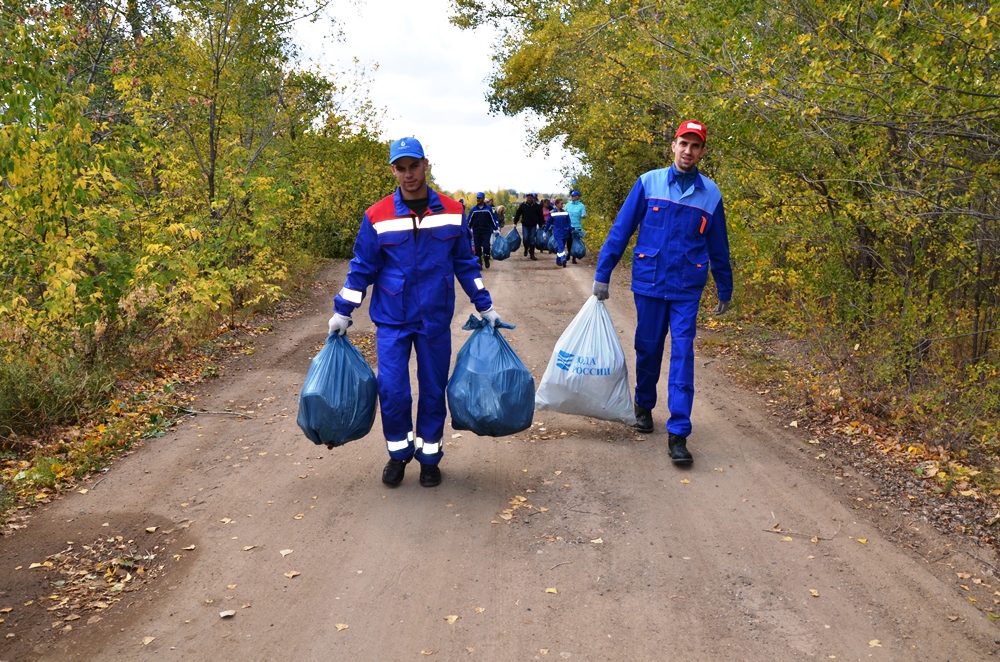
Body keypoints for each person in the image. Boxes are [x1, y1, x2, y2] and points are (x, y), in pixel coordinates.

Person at [328, 137, 502, 487]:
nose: (408, 175)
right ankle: (398, 454)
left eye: (413, 166)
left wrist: (485, 305)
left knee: (434, 390)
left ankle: (429, 458)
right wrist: (343, 311)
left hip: (435, 318)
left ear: (426, 164)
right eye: (400, 168)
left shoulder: (453, 212)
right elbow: (362, 268)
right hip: (392, 318)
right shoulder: (377, 216)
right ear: (393, 170)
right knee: (392, 390)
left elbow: (465, 264)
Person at [592, 119, 732, 467]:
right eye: (684, 143)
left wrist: (725, 289)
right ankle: (643, 404)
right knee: (648, 347)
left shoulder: (710, 194)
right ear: (673, 145)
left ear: (702, 151)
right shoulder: (648, 183)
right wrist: (602, 274)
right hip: (650, 282)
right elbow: (621, 229)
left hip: (687, 287)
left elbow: (719, 247)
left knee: (682, 354)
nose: (688, 151)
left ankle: (679, 432)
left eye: (695, 146)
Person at [468, 192, 500, 268]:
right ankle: (479, 263)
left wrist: (496, 228)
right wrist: (467, 229)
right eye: (477, 198)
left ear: (483, 198)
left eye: (480, 198)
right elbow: (469, 220)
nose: (478, 199)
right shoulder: (474, 210)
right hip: (476, 231)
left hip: (486, 231)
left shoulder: (488, 209)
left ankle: (486, 258)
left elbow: (493, 219)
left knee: (486, 246)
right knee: (477, 247)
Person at [513, 192, 544, 260]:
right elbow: (518, 214)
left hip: (533, 225)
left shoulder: (536, 206)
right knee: (525, 238)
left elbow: (540, 216)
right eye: (528, 197)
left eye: (530, 197)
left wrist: (541, 224)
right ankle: (526, 248)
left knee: (532, 239)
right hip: (525, 225)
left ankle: (532, 254)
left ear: (533, 198)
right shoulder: (523, 205)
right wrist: (515, 222)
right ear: (526, 198)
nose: (529, 199)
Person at [565, 190, 587, 264]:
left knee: (575, 242)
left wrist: (583, 215)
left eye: (573, 196)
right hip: (568, 226)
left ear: (577, 197)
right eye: (571, 196)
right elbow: (564, 212)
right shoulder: (568, 205)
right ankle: (569, 253)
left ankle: (574, 257)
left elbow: (584, 214)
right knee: (569, 241)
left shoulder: (581, 205)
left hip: (577, 226)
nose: (572, 197)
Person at [549, 198, 571, 267]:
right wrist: (545, 231)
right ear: (557, 204)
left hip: (564, 232)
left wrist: (570, 229)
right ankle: (563, 258)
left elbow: (568, 222)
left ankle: (558, 260)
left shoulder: (565, 212)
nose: (562, 205)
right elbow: (548, 222)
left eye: (563, 203)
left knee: (561, 247)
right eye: (561, 203)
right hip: (557, 233)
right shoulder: (552, 212)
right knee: (561, 246)